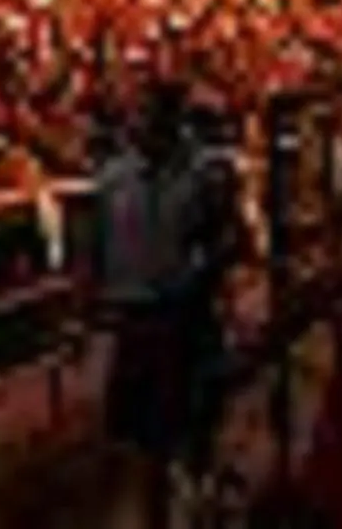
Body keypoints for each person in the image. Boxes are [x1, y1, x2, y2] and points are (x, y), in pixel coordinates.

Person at [93, 79, 243, 529]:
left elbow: (230, 239)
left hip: (187, 316)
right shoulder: (114, 177)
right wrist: (87, 311)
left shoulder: (208, 173)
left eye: (144, 113)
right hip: (136, 319)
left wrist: (202, 272)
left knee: (195, 428)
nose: (133, 122)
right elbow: (97, 244)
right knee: (143, 444)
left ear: (170, 119)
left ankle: (201, 499)